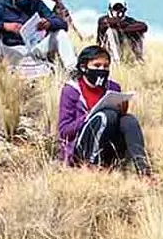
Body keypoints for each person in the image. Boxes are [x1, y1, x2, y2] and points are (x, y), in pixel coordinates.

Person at [57, 45, 151, 176]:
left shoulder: (113, 87)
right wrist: (88, 117)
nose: (102, 70)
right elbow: (64, 131)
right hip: (82, 148)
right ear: (84, 67)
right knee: (107, 115)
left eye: (106, 66)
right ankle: (92, 167)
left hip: (109, 146)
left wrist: (122, 111)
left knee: (128, 120)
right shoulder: (71, 90)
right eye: (97, 66)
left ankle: (143, 171)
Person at [96, 0, 148, 64]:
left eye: (120, 8)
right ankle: (116, 61)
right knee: (111, 31)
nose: (118, 11)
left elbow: (143, 26)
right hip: (106, 51)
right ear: (110, 9)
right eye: (115, 8)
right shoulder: (103, 19)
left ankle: (138, 60)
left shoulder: (129, 20)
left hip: (123, 47)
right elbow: (109, 23)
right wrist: (124, 26)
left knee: (138, 33)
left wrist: (122, 28)